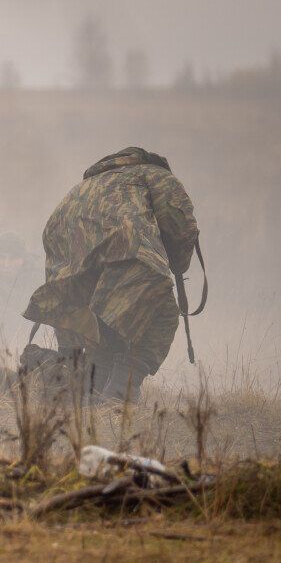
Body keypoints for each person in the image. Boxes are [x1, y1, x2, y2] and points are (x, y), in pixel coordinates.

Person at [23, 147, 200, 401]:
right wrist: (178, 265)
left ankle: (89, 390)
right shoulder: (158, 176)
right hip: (125, 252)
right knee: (163, 311)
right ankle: (120, 390)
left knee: (100, 325)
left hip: (70, 270)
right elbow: (180, 226)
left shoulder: (87, 185)